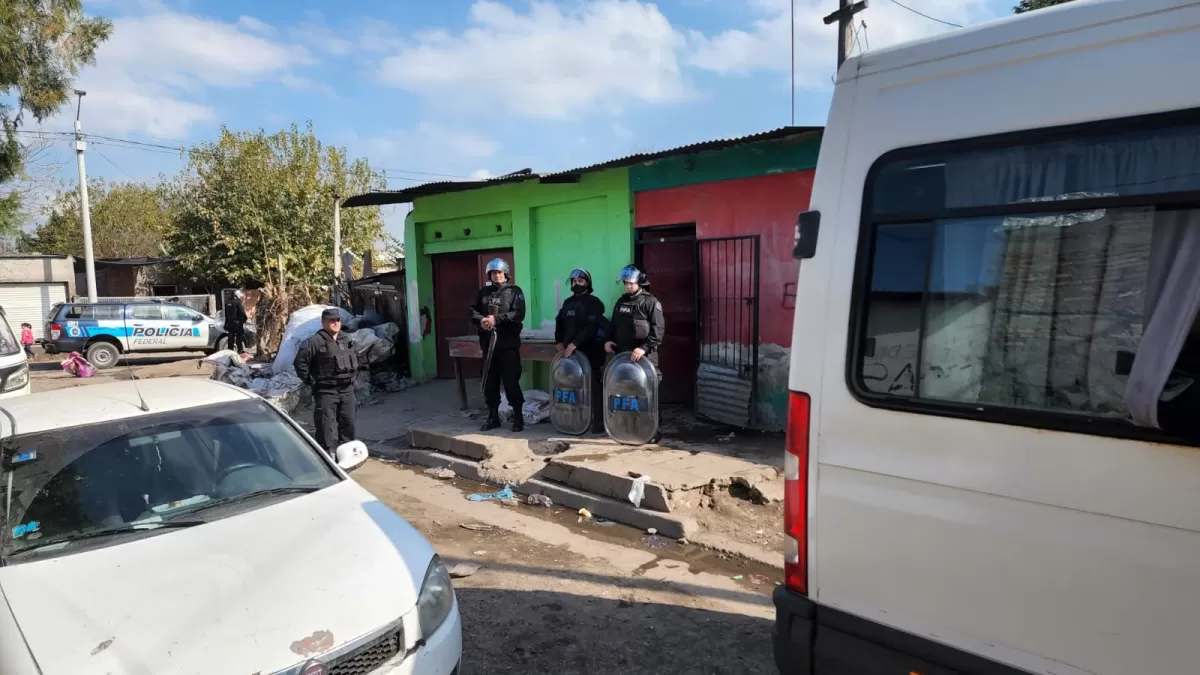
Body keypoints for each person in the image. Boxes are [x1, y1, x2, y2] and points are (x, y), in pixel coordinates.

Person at [471, 258, 526, 432]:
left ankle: (518, 418)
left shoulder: (514, 291)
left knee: (511, 382)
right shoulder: (484, 292)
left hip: (507, 345)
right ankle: (493, 417)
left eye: (499, 272)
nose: (496, 275)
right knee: (490, 383)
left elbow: (518, 314)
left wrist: (496, 319)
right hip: (489, 346)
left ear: (506, 273)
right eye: (493, 273)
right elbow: (473, 310)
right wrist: (482, 320)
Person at [294, 308, 358, 454]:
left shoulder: (347, 340)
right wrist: (311, 381)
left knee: (348, 424)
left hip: (347, 391)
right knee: (325, 427)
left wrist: (354, 379)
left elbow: (357, 360)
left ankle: (347, 455)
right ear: (323, 323)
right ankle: (327, 456)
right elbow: (300, 363)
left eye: (337, 320)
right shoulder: (314, 342)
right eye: (331, 320)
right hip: (326, 391)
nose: (335, 323)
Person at [555, 268, 607, 434]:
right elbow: (560, 322)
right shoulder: (567, 303)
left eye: (580, 281)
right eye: (574, 281)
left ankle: (598, 422)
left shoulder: (594, 303)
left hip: (590, 350)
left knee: (594, 387)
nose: (576, 284)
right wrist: (559, 342)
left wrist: (575, 343)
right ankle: (577, 420)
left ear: (587, 283)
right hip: (571, 353)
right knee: (573, 386)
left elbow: (591, 327)